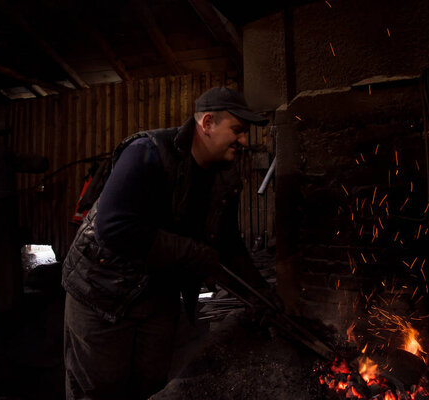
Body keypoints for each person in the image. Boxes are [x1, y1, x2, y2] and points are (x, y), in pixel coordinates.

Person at [61, 87, 275, 400]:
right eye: (238, 130)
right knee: (99, 391)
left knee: (150, 390)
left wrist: (261, 296)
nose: (244, 141)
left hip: (158, 297)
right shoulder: (147, 151)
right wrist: (193, 252)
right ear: (207, 123)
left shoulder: (225, 177)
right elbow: (114, 228)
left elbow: (227, 247)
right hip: (102, 293)